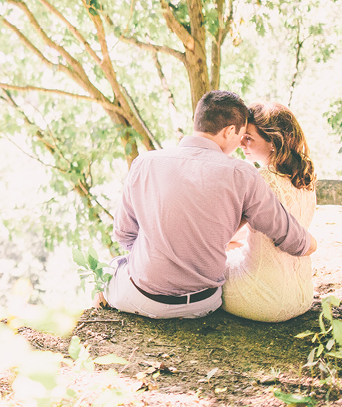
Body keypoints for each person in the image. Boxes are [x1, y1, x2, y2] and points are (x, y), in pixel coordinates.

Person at [101, 90, 318, 319]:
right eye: (242, 135)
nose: (241, 143)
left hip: (144, 298)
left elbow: (124, 235)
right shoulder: (242, 174)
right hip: (203, 303)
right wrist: (308, 244)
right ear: (230, 131)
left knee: (113, 267)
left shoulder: (145, 162)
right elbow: (282, 229)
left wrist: (160, 257)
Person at [222, 102, 317, 322]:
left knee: (207, 271)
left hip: (265, 299)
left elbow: (226, 232)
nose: (242, 144)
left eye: (249, 138)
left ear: (273, 141)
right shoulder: (306, 178)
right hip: (302, 296)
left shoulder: (261, 179)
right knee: (236, 250)